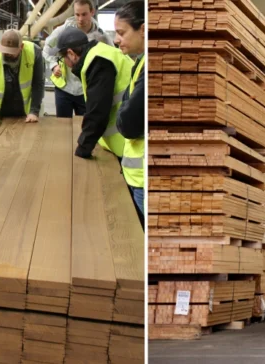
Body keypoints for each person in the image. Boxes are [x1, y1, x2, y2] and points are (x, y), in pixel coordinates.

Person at [55, 27, 133, 159]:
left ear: (71, 54)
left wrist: (83, 148)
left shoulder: (97, 62)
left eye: (63, 58)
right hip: (124, 136)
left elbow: (97, 111)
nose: (65, 63)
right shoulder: (100, 53)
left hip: (127, 143)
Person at [43, 0, 110, 118]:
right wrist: (54, 65)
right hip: (64, 87)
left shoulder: (101, 37)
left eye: (84, 14)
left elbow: (113, 58)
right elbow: (47, 49)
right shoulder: (62, 31)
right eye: (77, 14)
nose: (80, 19)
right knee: (62, 125)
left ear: (92, 12)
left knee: (85, 124)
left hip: (86, 89)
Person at [114, 1, 146, 227]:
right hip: (137, 177)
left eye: (121, 33)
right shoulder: (141, 62)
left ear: (143, 30)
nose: (117, 40)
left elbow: (128, 123)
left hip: (144, 181)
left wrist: (123, 114)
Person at [0, 30, 44, 127]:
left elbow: (38, 84)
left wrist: (34, 111)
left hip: (26, 114)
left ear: (21, 47)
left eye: (11, 52)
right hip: (0, 114)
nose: (7, 55)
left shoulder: (34, 53)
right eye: (5, 51)